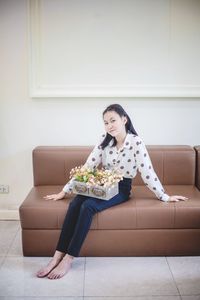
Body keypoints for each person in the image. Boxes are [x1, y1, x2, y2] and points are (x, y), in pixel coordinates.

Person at [36, 103, 188, 280]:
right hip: (101, 183)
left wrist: (164, 196)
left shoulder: (136, 142)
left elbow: (147, 171)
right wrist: (64, 190)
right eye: (106, 122)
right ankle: (56, 256)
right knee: (76, 202)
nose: (109, 126)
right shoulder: (104, 139)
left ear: (124, 120)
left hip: (121, 188)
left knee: (88, 206)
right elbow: (88, 165)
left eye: (113, 120)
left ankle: (68, 258)